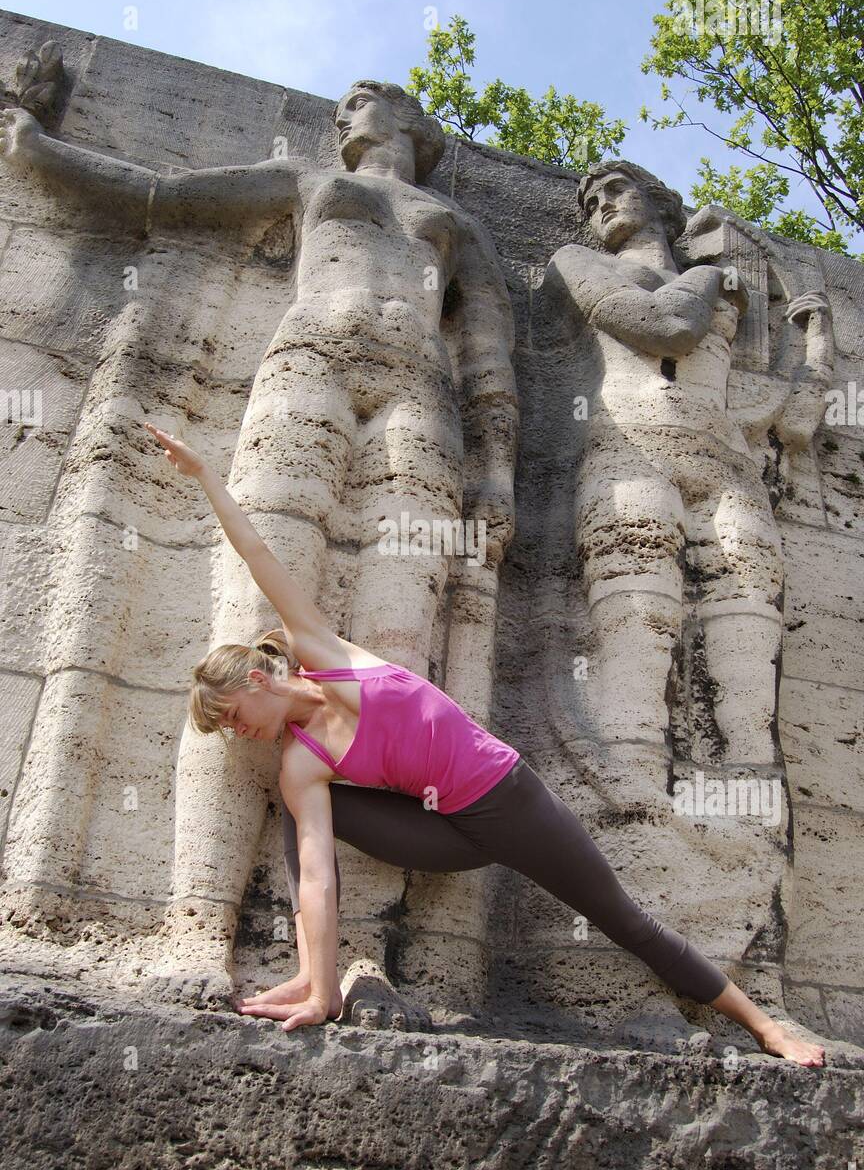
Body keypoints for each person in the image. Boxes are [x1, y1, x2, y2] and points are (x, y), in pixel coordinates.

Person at [143, 420, 826, 1067]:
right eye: (228, 731)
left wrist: (206, 476)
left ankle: (764, 1025)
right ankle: (313, 982)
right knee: (299, 821)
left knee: (623, 918)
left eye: (234, 716)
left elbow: (260, 556)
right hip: (443, 833)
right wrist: (323, 989)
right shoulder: (301, 765)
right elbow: (318, 877)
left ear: (259, 679)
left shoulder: (320, 653)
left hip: (510, 800)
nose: (240, 734)